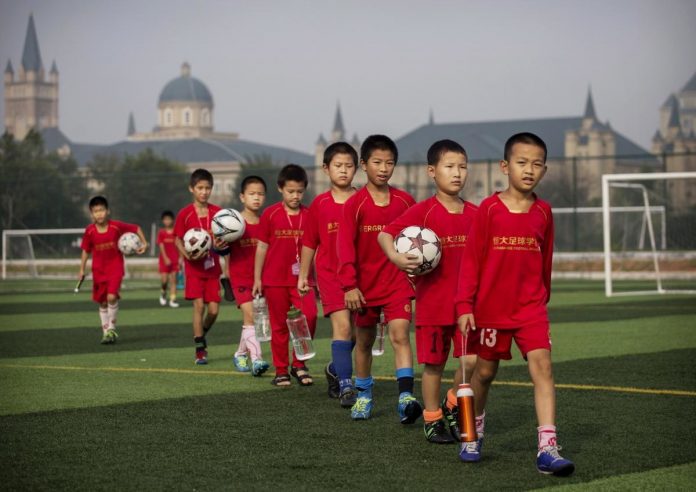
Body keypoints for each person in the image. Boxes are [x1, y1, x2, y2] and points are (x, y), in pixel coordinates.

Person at [455, 132, 575, 475]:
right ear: (505, 166)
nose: (529, 170)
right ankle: (472, 434)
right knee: (485, 372)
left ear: (545, 170)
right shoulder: (488, 210)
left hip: (531, 310)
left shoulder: (544, 212)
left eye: (537, 164)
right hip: (491, 309)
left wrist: (541, 302)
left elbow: (545, 260)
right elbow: (471, 261)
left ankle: (548, 448)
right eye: (522, 163)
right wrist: (465, 305)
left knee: (543, 369)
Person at [379, 139, 478, 443]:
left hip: (468, 308)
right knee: (433, 365)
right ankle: (433, 419)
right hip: (433, 305)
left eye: (462, 167)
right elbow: (386, 235)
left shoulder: (477, 213)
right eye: (449, 167)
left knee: (472, 362)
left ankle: (452, 402)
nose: (457, 173)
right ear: (432, 172)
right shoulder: (422, 212)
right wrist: (396, 257)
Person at [336, 134, 422, 423]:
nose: (384, 168)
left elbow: (419, 240)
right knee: (363, 342)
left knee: (400, 335)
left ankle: (406, 397)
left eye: (389, 163)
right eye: (377, 162)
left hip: (398, 283)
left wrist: (418, 268)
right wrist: (349, 285)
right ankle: (363, 395)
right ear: (364, 165)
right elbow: (344, 246)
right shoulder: (354, 205)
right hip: (364, 287)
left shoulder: (405, 201)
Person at [297, 142, 358, 407]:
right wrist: (303, 276)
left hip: (360, 277)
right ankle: (346, 384)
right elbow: (310, 242)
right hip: (330, 275)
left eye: (349, 166)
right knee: (342, 327)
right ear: (326, 169)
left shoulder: (363, 200)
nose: (343, 171)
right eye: (338, 166)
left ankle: (335, 369)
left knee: (357, 335)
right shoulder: (319, 205)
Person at [253, 164, 317, 387]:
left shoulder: (310, 215)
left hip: (303, 280)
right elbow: (261, 247)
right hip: (274, 280)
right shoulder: (270, 214)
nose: (295, 196)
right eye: (291, 191)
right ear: (280, 188)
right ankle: (281, 370)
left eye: (299, 191)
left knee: (309, 317)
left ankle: (299, 364)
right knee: (279, 325)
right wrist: (257, 278)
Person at [79, 195, 148, 344]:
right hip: (98, 270)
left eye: (101, 210)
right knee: (102, 302)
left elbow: (136, 228)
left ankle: (111, 328)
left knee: (111, 297)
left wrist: (144, 243)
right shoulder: (90, 231)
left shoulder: (116, 226)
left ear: (108, 211)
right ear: (92, 214)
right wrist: (81, 269)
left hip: (115, 268)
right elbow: (85, 250)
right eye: (95, 211)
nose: (99, 214)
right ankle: (106, 333)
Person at [174, 168, 226, 365]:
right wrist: (186, 254)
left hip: (213, 269)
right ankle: (200, 349)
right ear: (191, 189)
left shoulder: (218, 213)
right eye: (200, 188)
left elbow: (225, 239)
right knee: (199, 306)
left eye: (207, 188)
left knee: (213, 311)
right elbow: (178, 239)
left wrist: (221, 245)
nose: (204, 192)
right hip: (194, 269)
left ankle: (200, 334)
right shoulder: (185, 214)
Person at [227, 176, 270, 377]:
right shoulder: (234, 222)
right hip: (241, 278)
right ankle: (257, 359)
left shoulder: (266, 222)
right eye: (252, 194)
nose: (256, 198)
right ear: (242, 197)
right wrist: (218, 246)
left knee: (254, 320)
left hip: (261, 279)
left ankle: (240, 352)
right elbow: (221, 248)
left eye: (260, 194)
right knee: (252, 316)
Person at [157, 210, 180, 308]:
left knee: (174, 280)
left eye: (169, 219)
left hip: (175, 260)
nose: (167, 221)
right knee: (164, 280)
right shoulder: (161, 233)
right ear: (163, 221)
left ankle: (172, 300)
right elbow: (161, 246)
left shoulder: (176, 232)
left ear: (173, 220)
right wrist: (166, 258)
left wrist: (181, 259)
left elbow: (180, 245)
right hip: (164, 261)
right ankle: (163, 292)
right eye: (165, 220)